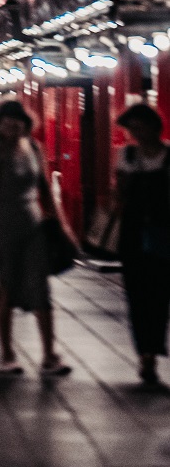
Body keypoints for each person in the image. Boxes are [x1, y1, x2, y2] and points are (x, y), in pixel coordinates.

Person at [0, 100, 73, 376]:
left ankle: (49, 355)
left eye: (16, 122)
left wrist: (62, 225)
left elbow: (45, 189)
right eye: (6, 123)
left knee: (40, 286)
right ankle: (7, 352)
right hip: (6, 224)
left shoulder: (34, 147)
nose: (12, 127)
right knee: (7, 286)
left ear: (25, 123)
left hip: (34, 224)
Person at [116, 104, 170, 388]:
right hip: (133, 234)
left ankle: (154, 346)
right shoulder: (125, 155)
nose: (136, 133)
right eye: (132, 129)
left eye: (140, 127)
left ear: (154, 126)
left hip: (164, 234)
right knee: (137, 295)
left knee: (160, 295)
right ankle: (145, 355)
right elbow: (119, 196)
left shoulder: (168, 155)